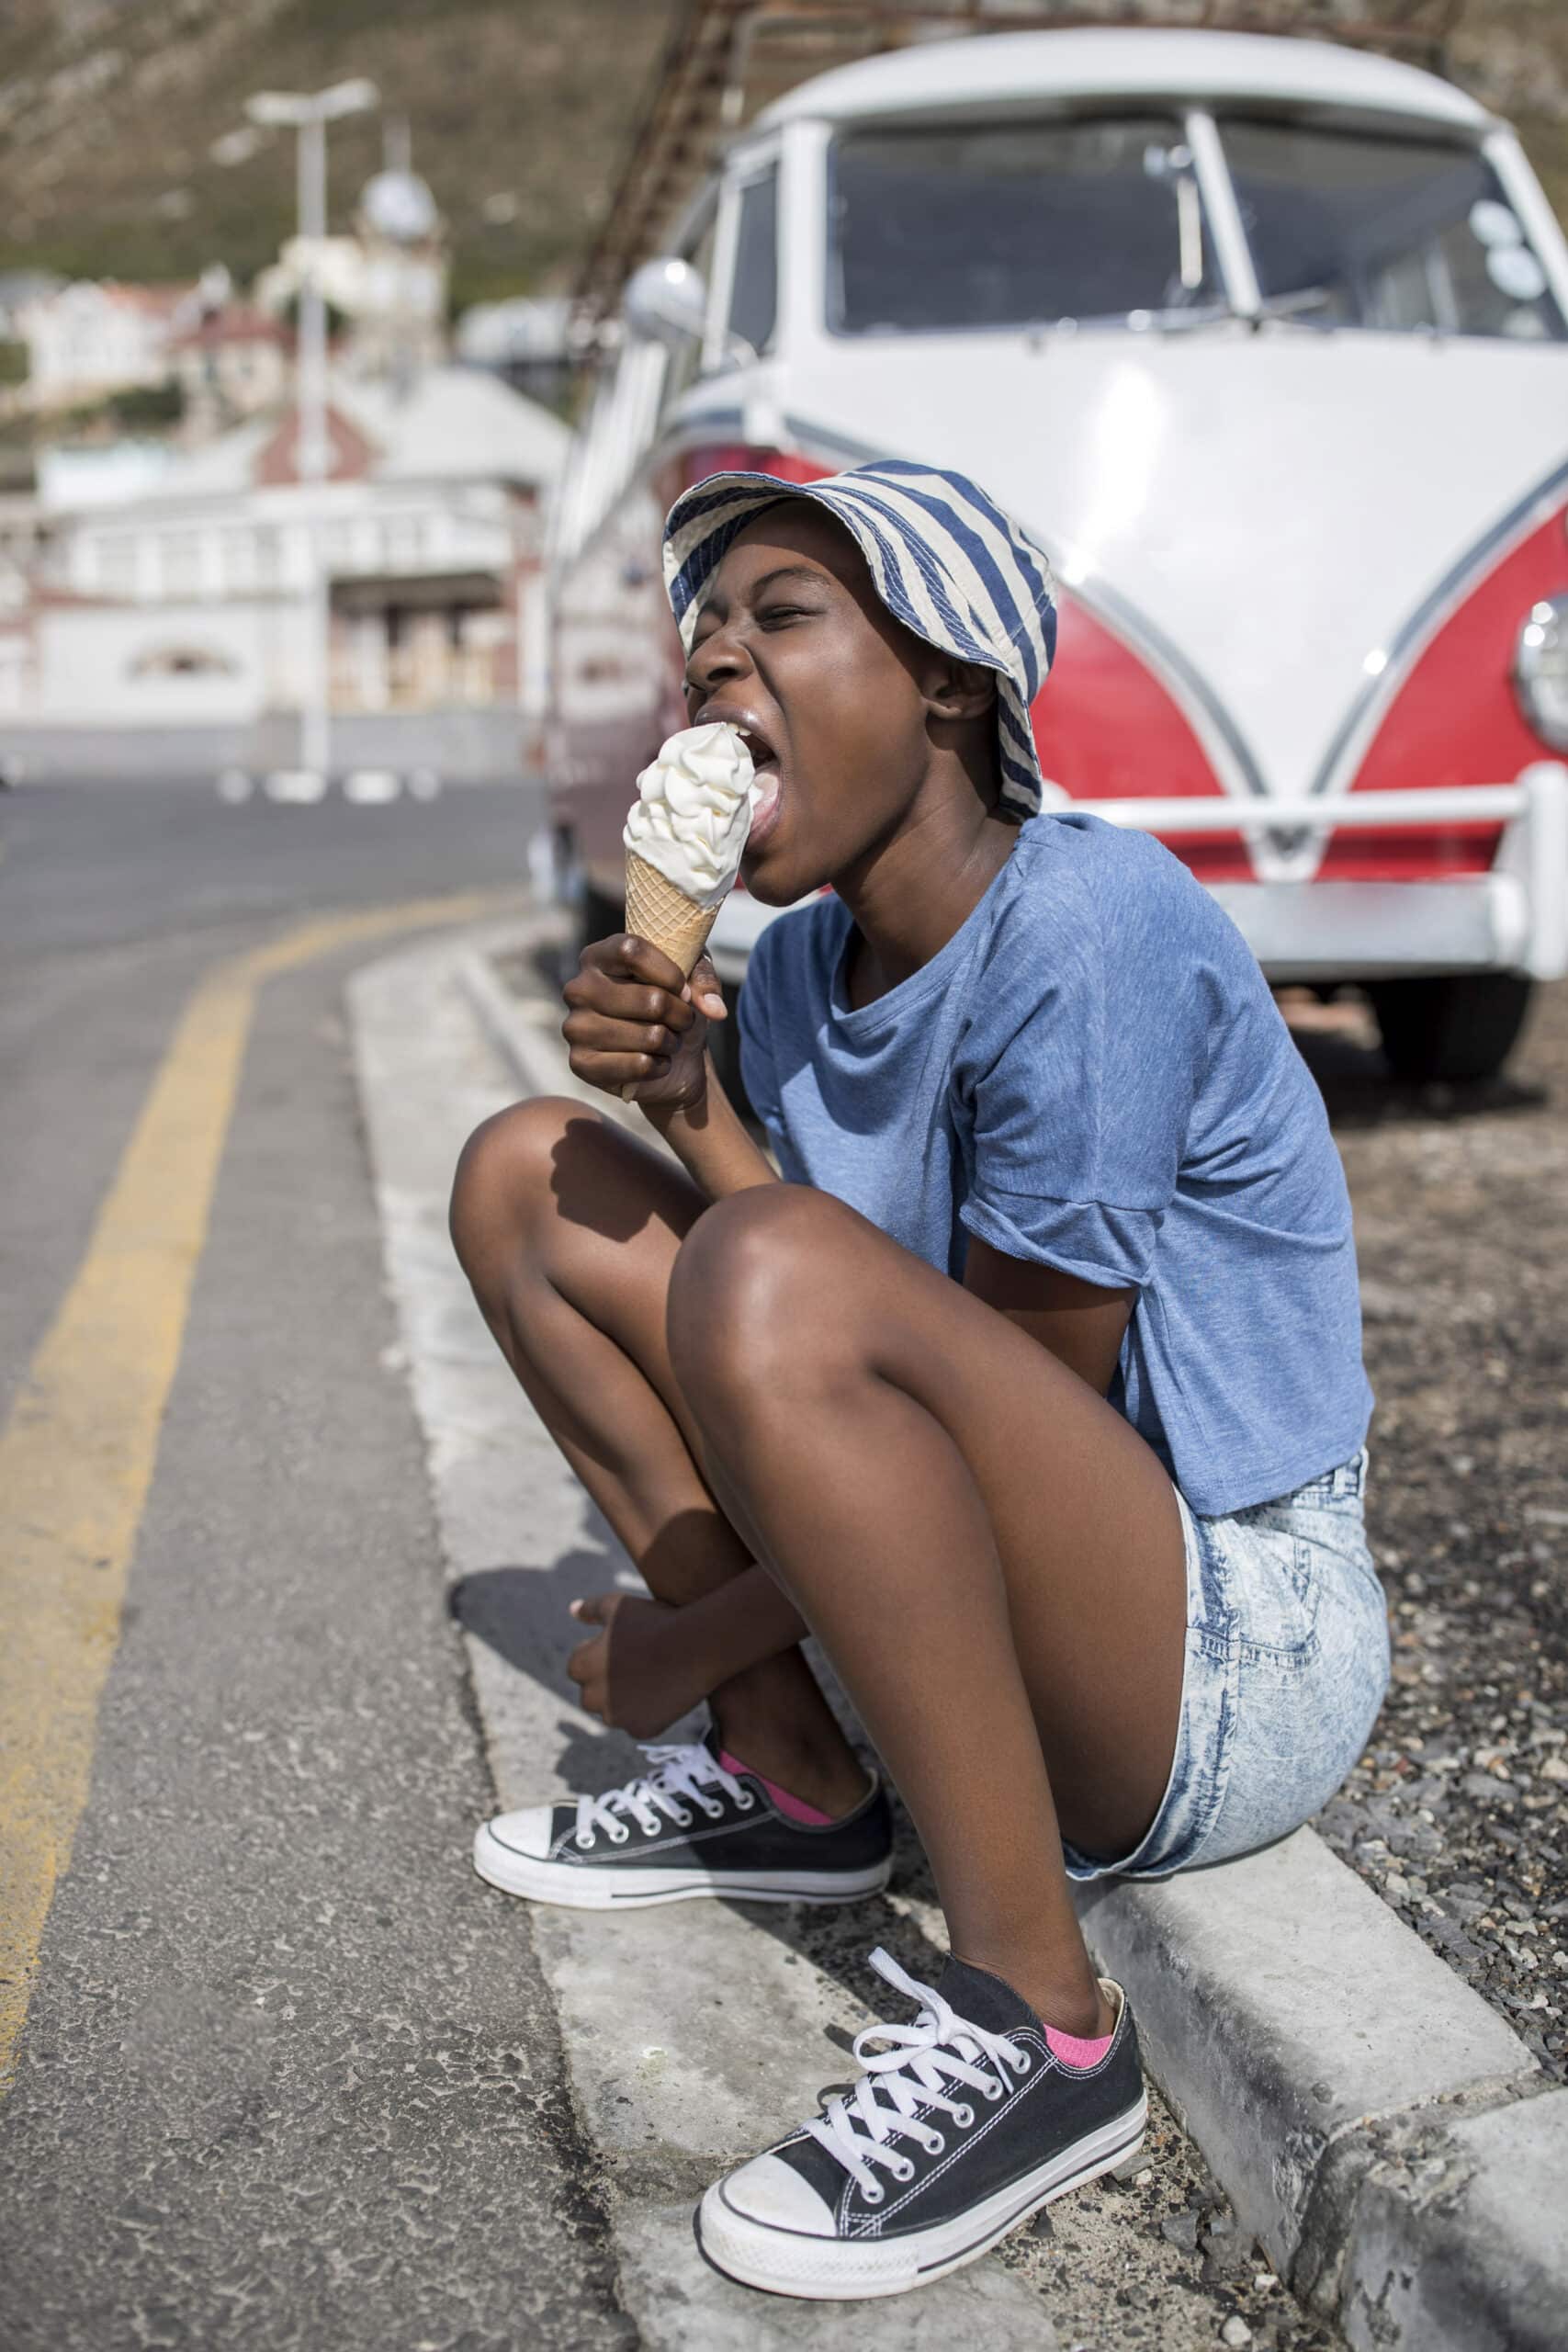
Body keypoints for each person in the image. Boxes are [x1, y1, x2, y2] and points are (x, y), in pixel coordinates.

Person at [448, 459, 1389, 2301]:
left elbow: (985, 1403)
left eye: (778, 620)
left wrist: (686, 1642)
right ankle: (804, 1785)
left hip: (1218, 1636)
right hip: (990, 1607)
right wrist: (686, 1100)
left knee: (774, 1261)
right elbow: (805, 1351)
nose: (715, 673)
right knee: (521, 1173)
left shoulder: (1084, 927)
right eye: (699, 646)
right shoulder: (793, 969)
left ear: (951, 679)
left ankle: (1041, 2024)